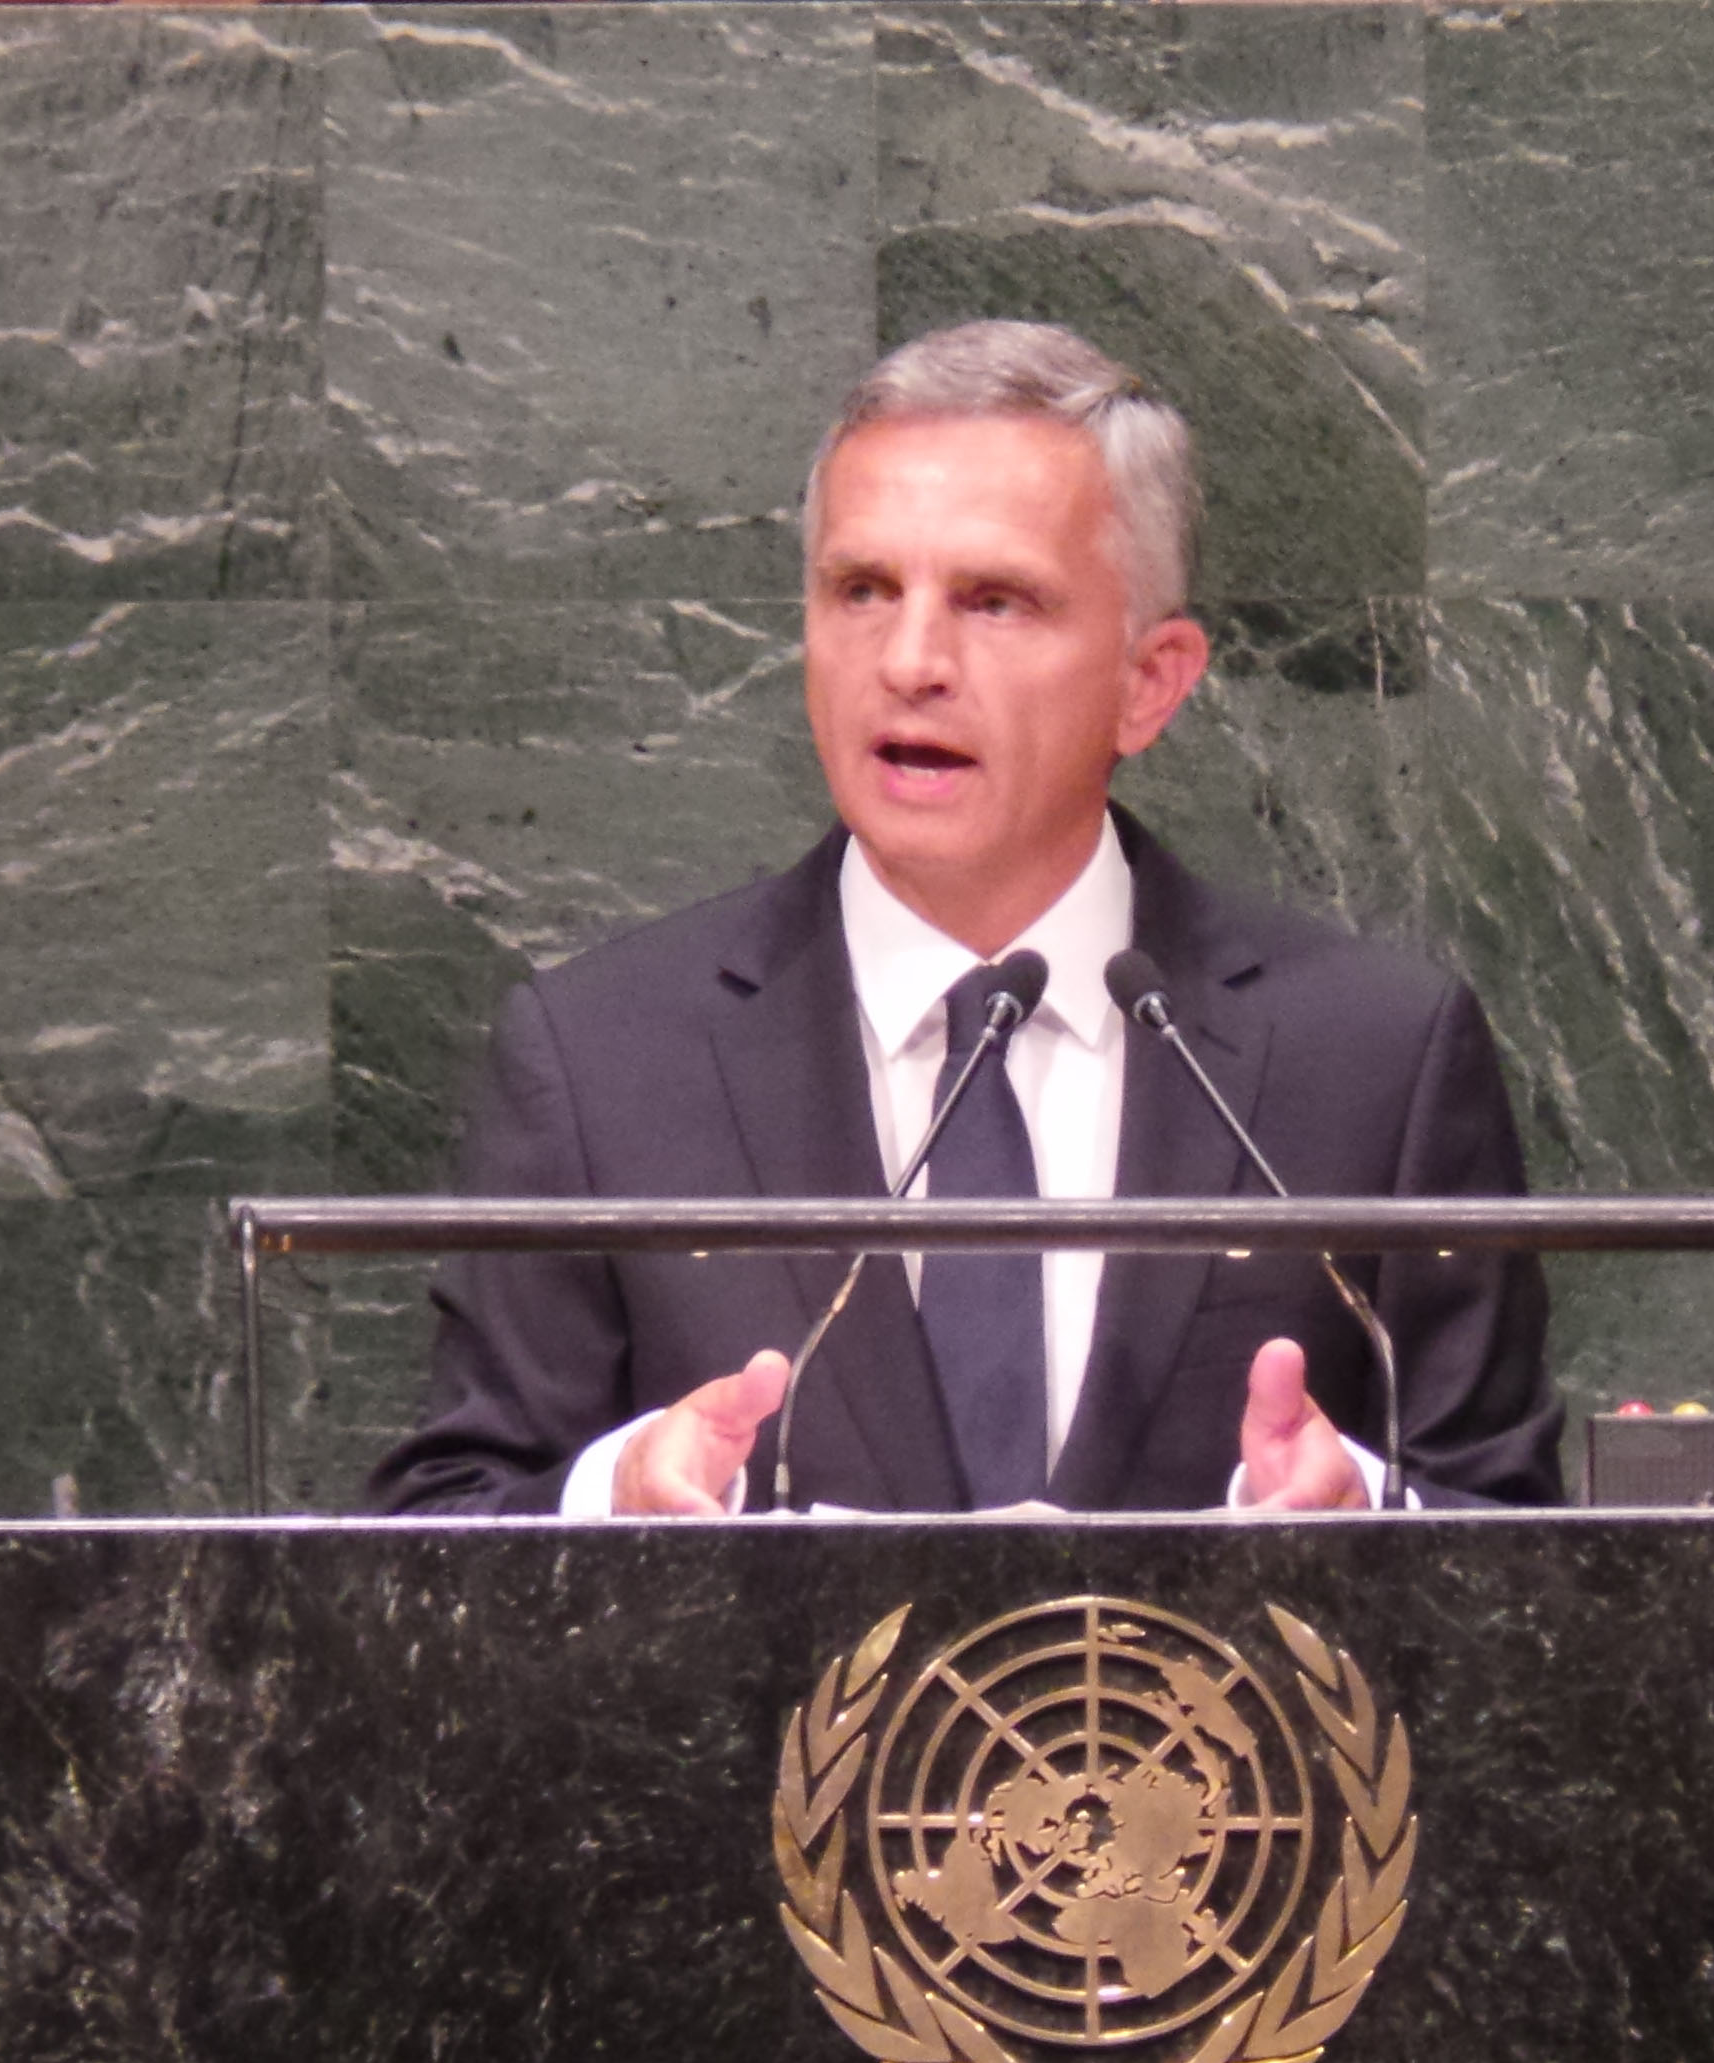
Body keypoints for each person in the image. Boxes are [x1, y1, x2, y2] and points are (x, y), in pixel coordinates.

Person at [364, 320, 1559, 1517]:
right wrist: (613, 1498)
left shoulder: (1374, 1060)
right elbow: (435, 1531)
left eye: (995, 602)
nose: (911, 659)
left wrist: (1366, 1508)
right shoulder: (604, 1060)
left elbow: (1535, 1557)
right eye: (861, 590)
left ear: (1151, 682)